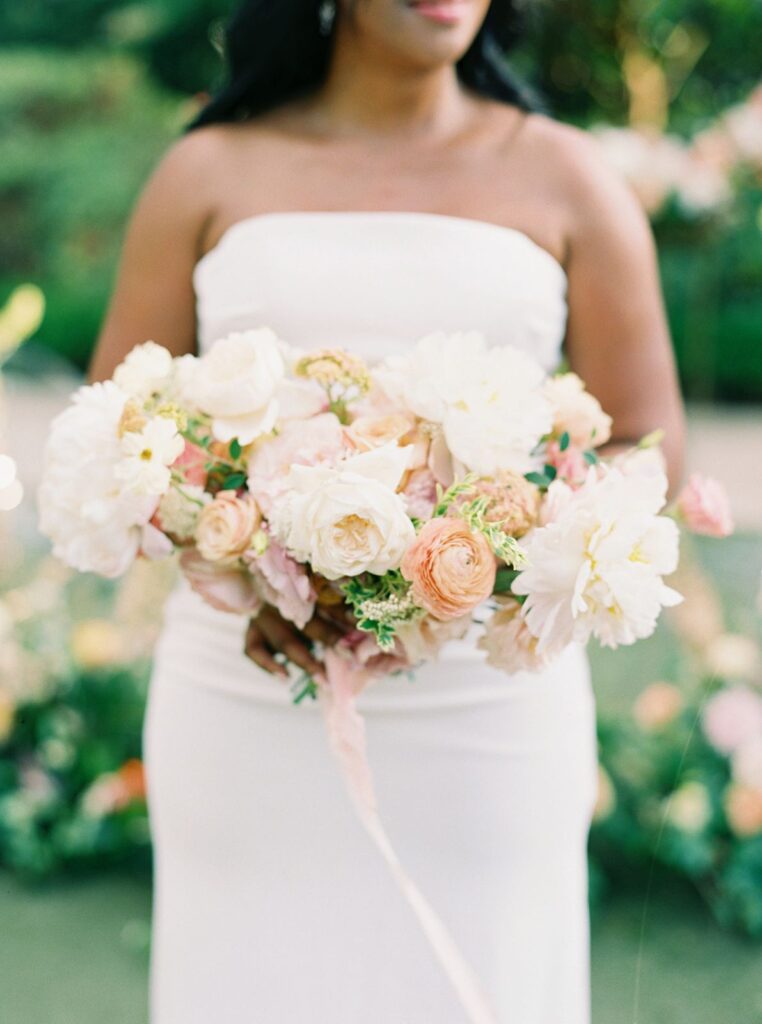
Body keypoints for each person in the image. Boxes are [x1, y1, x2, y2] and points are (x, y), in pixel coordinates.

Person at [88, 1, 685, 1021]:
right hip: (245, 697)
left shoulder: (568, 175)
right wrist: (255, 550)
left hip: (487, 714)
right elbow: (117, 435)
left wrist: (492, 554)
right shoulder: (207, 171)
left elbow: (647, 442)